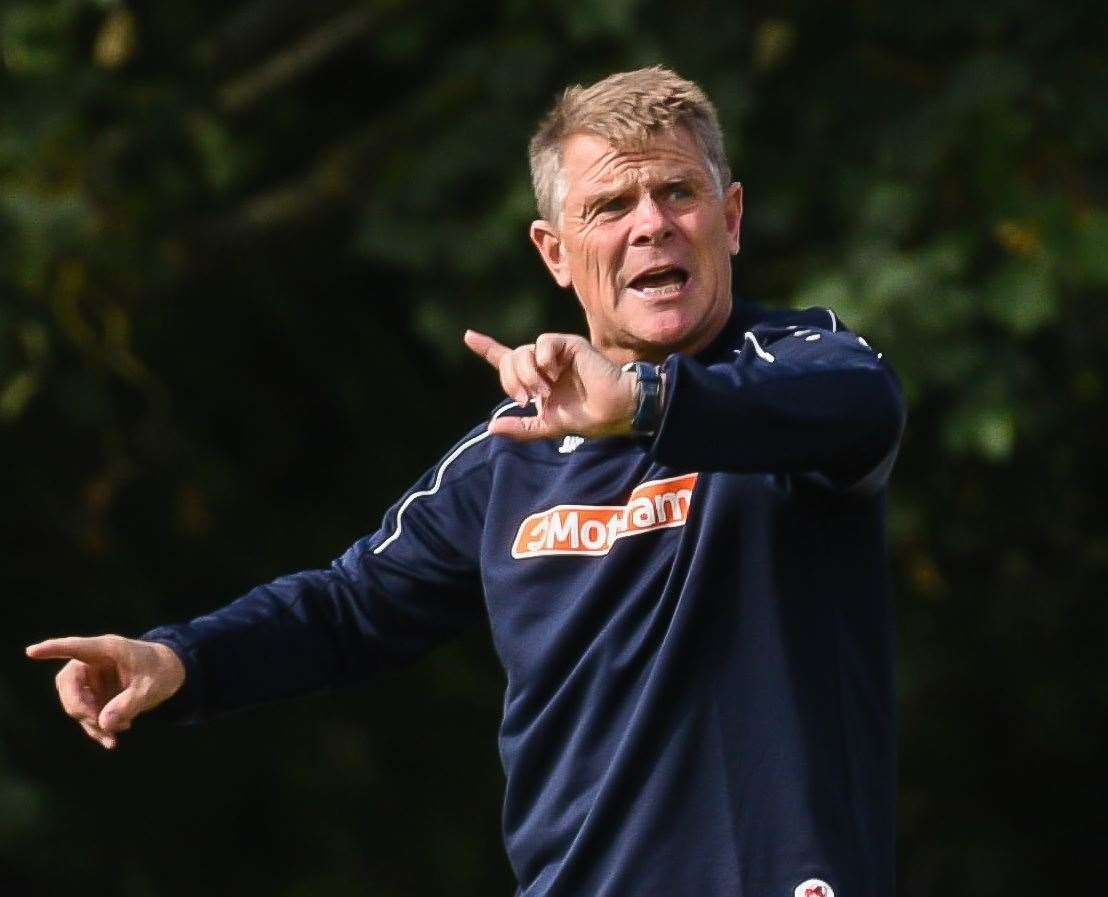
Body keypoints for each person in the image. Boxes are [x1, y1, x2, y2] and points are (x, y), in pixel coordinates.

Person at [27, 67, 905, 897]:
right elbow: (348, 605)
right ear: (556, 253)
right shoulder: (510, 455)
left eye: (678, 193)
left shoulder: (797, 370)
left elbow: (856, 408)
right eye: (611, 205)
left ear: (732, 218)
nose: (652, 224)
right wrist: (181, 658)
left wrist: (643, 399)